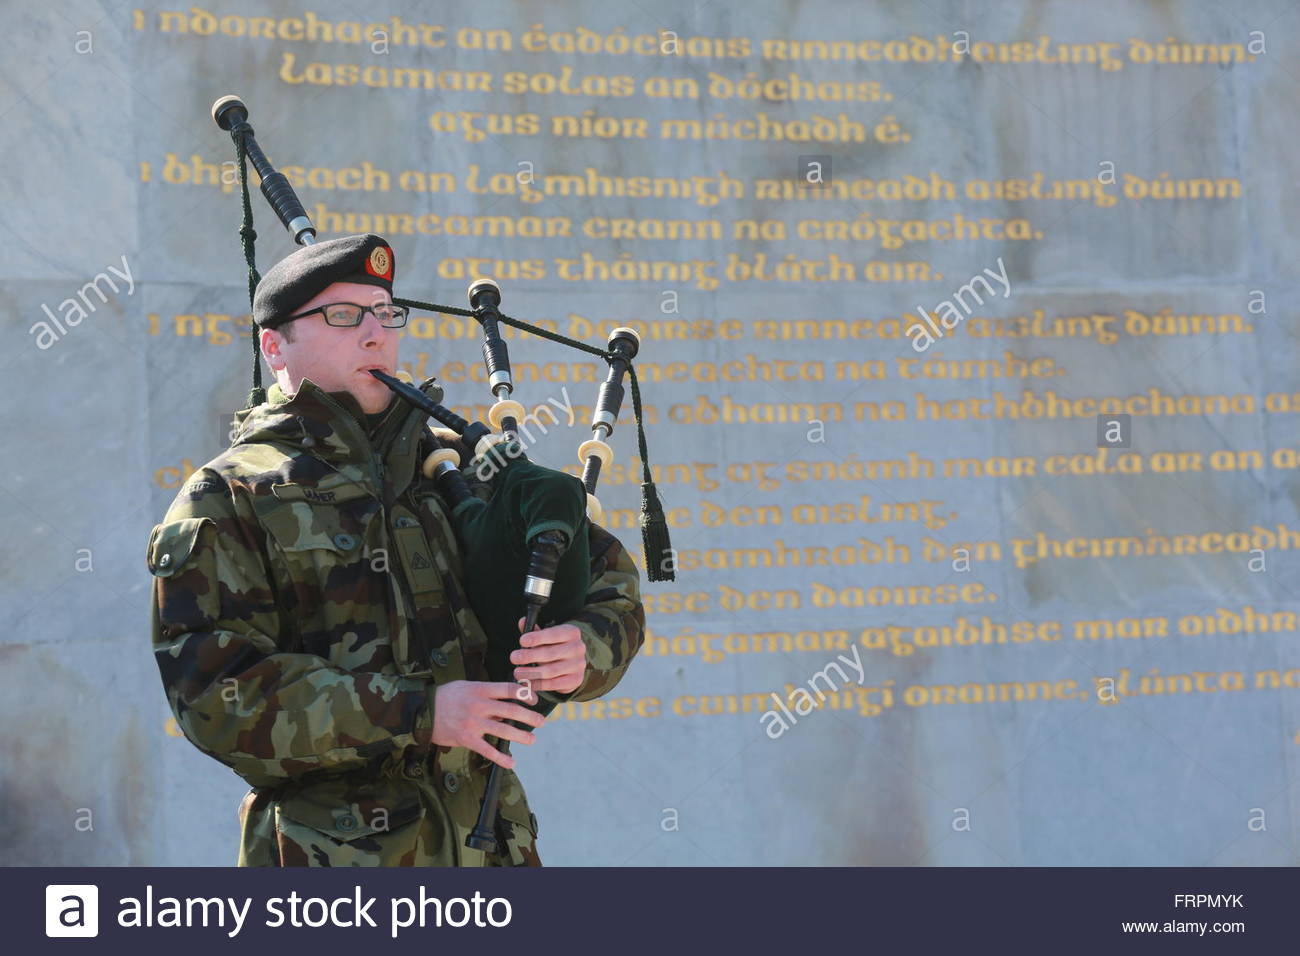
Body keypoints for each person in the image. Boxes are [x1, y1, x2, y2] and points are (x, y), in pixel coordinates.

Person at [147, 233, 644, 866]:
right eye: (343, 316)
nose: (376, 334)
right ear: (274, 344)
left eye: (385, 314)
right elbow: (215, 698)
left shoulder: (458, 465)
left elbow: (610, 583)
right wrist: (421, 712)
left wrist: (582, 651)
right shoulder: (228, 497)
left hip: (493, 848)